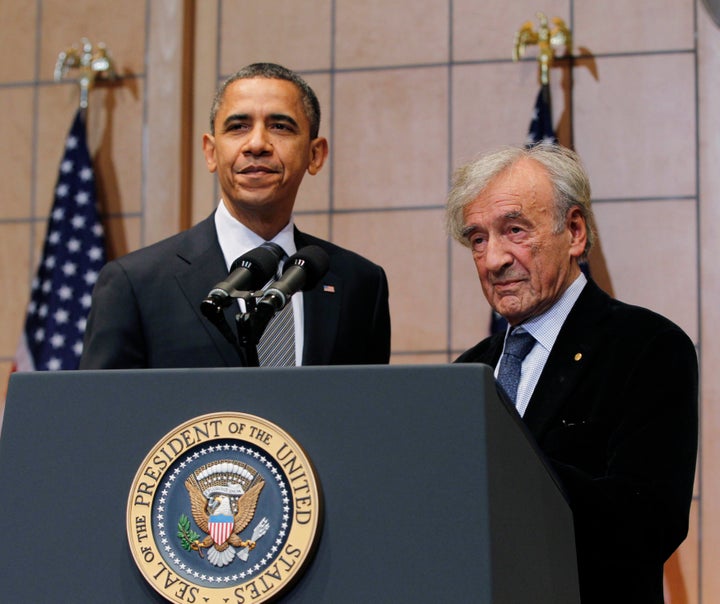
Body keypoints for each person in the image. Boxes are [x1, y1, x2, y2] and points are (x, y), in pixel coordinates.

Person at [446, 143, 698, 603]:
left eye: (515, 230)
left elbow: (650, 524)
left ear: (575, 231)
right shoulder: (467, 374)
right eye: (478, 239)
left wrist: (504, 468)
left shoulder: (647, 346)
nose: (493, 259)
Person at [80, 63, 390, 369]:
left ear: (315, 155)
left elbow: (368, 412)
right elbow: (103, 413)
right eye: (238, 127)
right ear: (211, 152)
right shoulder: (136, 284)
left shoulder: (360, 284)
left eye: (280, 126)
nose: (256, 144)